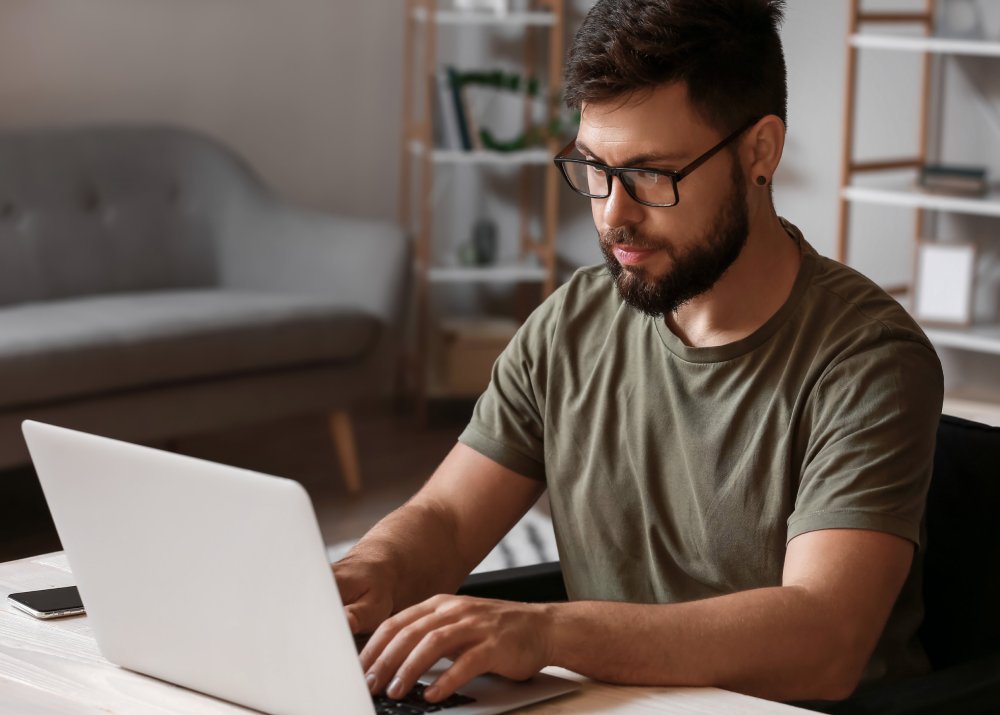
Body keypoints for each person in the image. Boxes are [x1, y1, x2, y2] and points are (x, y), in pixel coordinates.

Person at [334, 0, 943, 706]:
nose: (612, 213)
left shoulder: (868, 360)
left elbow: (824, 637)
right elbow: (444, 519)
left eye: (652, 174)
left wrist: (550, 634)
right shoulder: (571, 324)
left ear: (760, 152)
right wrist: (368, 569)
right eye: (594, 167)